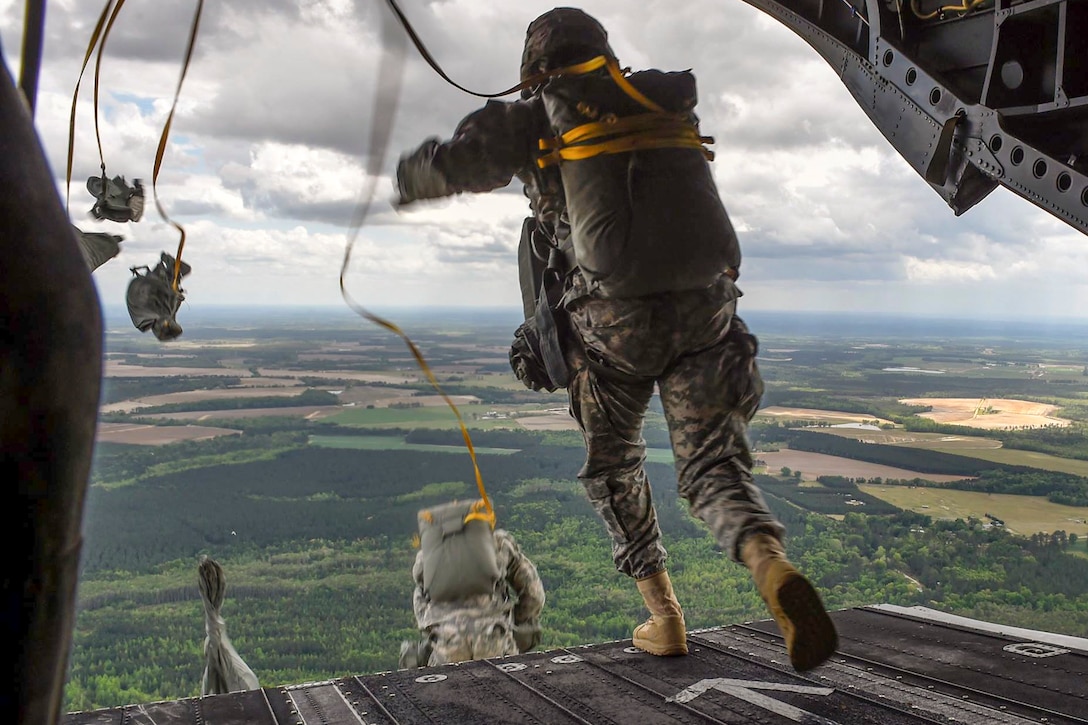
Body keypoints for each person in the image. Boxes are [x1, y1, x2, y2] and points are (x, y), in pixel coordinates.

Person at [394, 7, 838, 672]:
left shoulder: (537, 118)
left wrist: (406, 175)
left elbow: (442, 171)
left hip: (614, 330)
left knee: (615, 469)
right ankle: (770, 567)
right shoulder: (656, 104)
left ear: (535, 69)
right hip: (709, 312)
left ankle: (666, 618)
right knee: (714, 466)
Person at [399, 499, 545, 668]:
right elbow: (534, 595)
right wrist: (515, 620)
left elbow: (421, 606)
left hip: (447, 648)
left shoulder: (426, 558)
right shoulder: (499, 543)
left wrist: (438, 628)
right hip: (495, 640)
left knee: (423, 665)